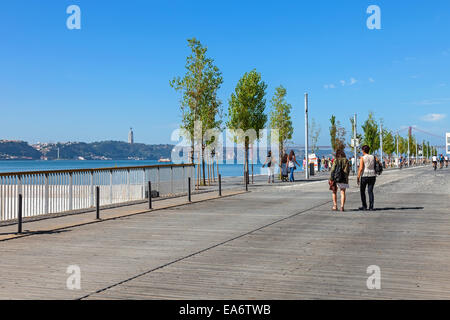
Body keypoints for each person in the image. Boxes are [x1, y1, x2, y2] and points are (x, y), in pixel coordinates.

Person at [357, 145, 377, 211]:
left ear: (363, 150)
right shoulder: (373, 157)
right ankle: (371, 207)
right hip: (372, 175)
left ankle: (364, 206)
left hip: (364, 175)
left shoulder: (362, 158)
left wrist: (358, 177)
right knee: (370, 191)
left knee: (362, 191)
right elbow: (378, 163)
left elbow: (361, 168)